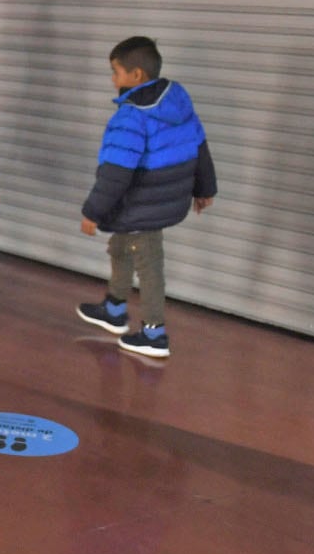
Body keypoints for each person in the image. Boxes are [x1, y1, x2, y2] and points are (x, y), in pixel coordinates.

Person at [78, 36, 218, 359]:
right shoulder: (177, 102)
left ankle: (155, 333)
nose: (113, 80)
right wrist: (204, 189)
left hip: (142, 204)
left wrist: (93, 211)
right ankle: (114, 307)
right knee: (120, 248)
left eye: (116, 72)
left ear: (136, 75)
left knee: (149, 264)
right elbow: (200, 146)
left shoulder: (131, 117)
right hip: (162, 198)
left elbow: (115, 173)